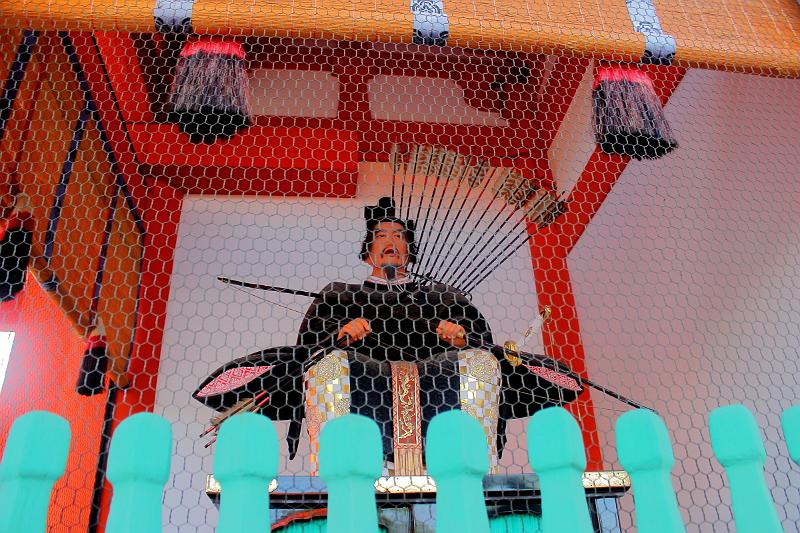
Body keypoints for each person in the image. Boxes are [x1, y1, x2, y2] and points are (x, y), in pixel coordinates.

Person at [298, 197, 501, 472]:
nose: (389, 241)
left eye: (398, 235)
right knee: (326, 366)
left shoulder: (438, 295)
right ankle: (337, 470)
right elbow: (310, 342)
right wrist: (340, 335)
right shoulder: (341, 293)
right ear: (367, 253)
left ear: (409, 251)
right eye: (380, 235)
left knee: (482, 363)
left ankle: (473, 467)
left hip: (437, 378)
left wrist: (461, 337)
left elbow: (479, 335)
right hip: (361, 379)